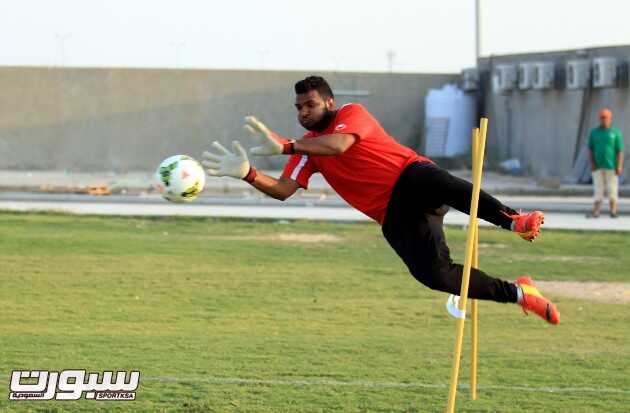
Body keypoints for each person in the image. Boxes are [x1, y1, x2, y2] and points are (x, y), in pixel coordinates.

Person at [202, 76, 560, 324]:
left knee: (441, 182)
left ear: (329, 101)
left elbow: (339, 145)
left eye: (309, 104)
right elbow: (283, 190)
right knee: (434, 275)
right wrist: (248, 173)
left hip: (409, 177)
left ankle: (513, 220)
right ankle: (519, 293)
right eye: (298, 108)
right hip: (393, 215)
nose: (303, 112)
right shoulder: (306, 148)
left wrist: (284, 146)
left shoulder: (349, 114)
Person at [587, 108, 624, 218]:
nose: (604, 120)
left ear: (610, 119)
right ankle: (596, 211)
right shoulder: (594, 133)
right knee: (598, 189)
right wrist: (592, 163)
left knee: (612, 188)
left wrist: (619, 165)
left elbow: (619, 150)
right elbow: (590, 149)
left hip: (611, 166)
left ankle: (613, 210)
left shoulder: (615, 133)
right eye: (602, 118)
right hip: (598, 166)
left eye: (606, 118)